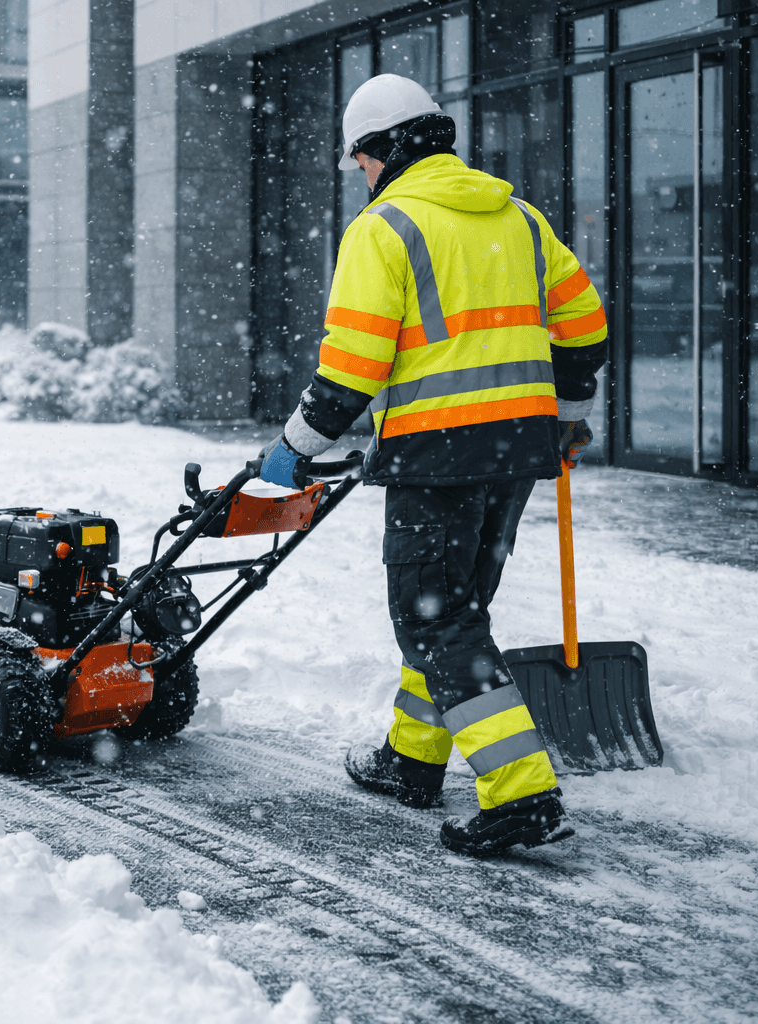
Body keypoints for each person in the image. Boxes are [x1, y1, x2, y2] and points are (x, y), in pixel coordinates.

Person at [258, 74, 606, 857]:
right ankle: (411, 761)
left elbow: (350, 368)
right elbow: (584, 329)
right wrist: (570, 419)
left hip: (440, 454)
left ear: (384, 149)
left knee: (436, 618)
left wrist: (296, 446)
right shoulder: (518, 218)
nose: (365, 178)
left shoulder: (385, 228)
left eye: (363, 162)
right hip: (518, 450)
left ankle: (522, 794)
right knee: (451, 616)